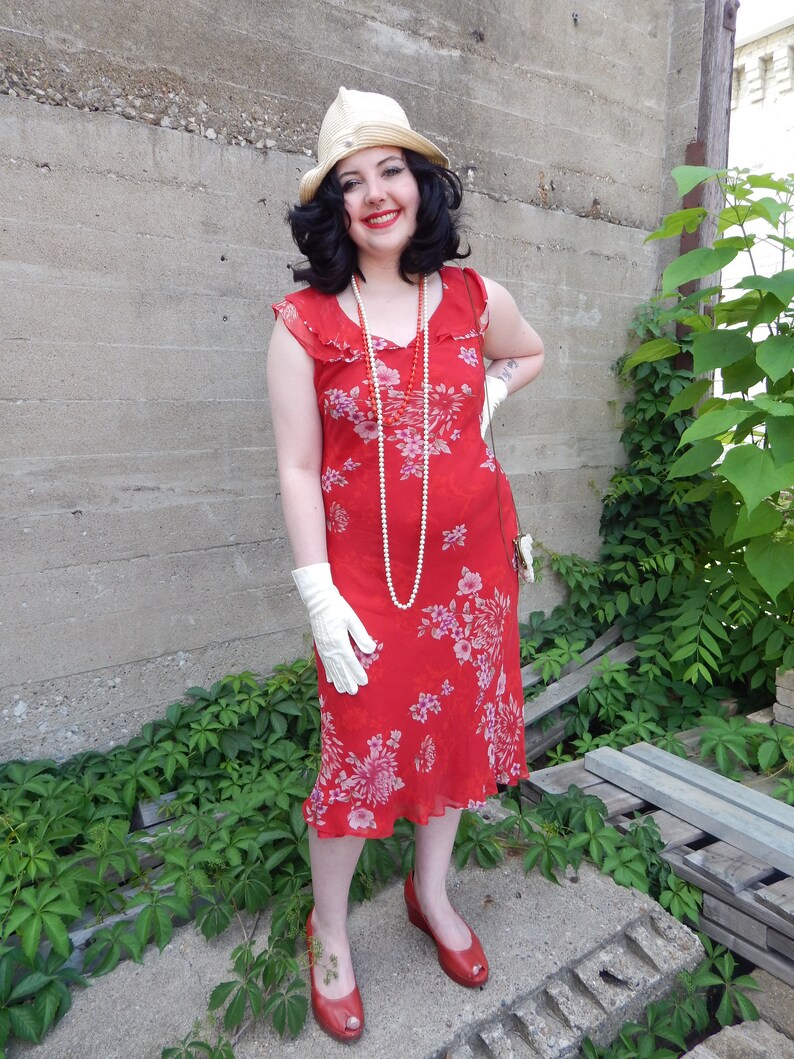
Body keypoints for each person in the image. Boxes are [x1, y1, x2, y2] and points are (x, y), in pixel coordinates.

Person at [267, 87, 544, 1043]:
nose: (375, 193)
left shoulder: (474, 299)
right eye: (351, 181)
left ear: (422, 184)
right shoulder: (305, 322)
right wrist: (316, 595)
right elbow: (299, 468)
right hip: (363, 591)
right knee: (358, 752)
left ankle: (432, 892)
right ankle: (331, 926)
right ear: (331, 208)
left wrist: (492, 396)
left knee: (459, 740)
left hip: (470, 580)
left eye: (391, 169)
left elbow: (533, 352)